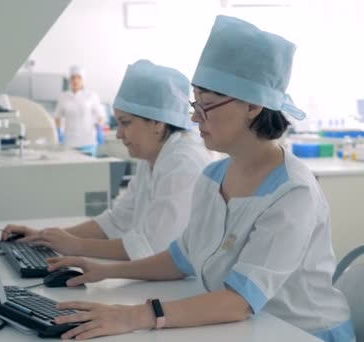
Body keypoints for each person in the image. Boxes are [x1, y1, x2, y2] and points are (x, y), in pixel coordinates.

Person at [45, 16, 355, 342]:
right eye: (195, 104)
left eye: (205, 106)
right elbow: (180, 259)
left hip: (303, 333)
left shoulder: (293, 193)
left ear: (252, 105)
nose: (193, 117)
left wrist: (134, 316)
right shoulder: (212, 177)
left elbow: (239, 301)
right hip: (248, 327)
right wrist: (104, 272)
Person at [2, 60, 212, 261]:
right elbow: (115, 222)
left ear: (157, 123)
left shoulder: (183, 164)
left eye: (125, 123)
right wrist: (43, 236)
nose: (119, 134)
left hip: (185, 288)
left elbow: (150, 246)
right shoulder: (153, 157)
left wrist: (76, 246)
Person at [54, 65, 106, 154]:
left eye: (79, 77)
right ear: (69, 80)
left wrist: (99, 130)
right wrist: (58, 131)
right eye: (73, 77)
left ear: (83, 80)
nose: (75, 80)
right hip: (69, 141)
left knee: (88, 166)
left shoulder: (91, 95)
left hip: (88, 140)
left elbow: (100, 115)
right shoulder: (63, 96)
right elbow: (57, 116)